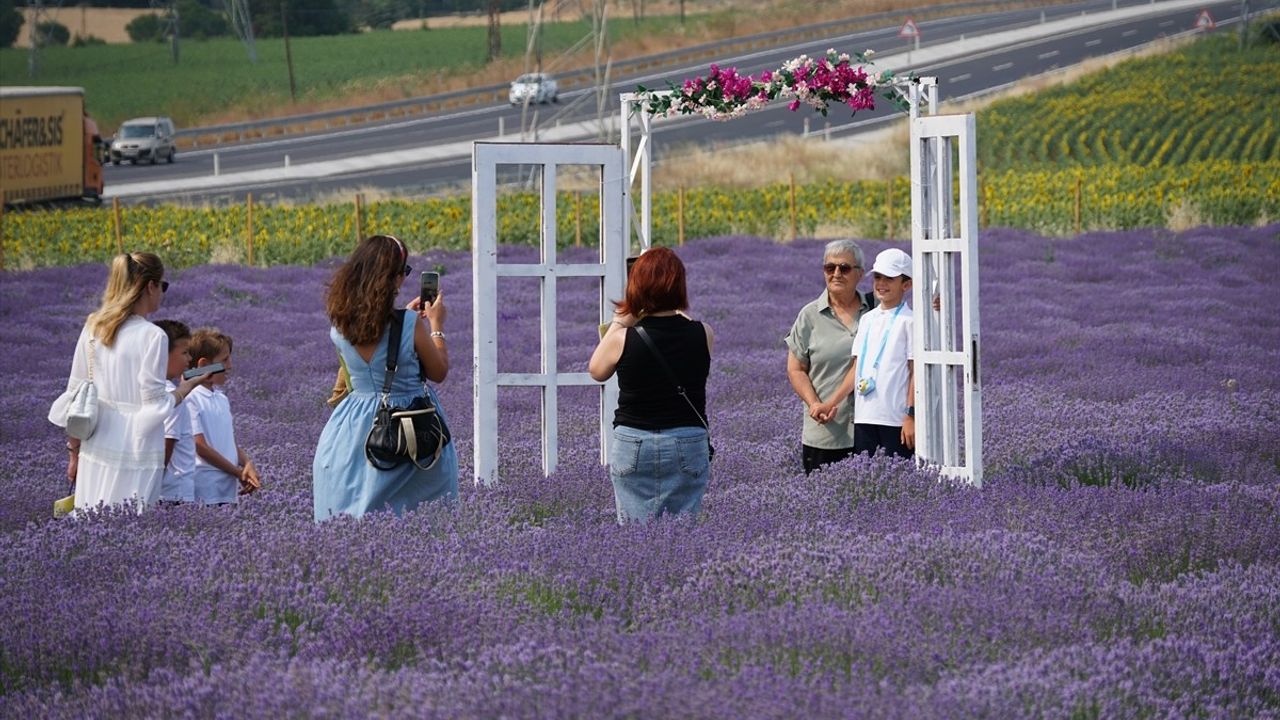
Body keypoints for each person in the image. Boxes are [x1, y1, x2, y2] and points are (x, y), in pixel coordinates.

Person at [312, 234, 457, 521]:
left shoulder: (338, 325)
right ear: (392, 278)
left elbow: (369, 349)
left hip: (351, 428)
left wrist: (404, 319)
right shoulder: (410, 324)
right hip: (409, 425)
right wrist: (437, 326)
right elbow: (438, 371)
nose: (405, 279)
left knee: (350, 514)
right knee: (422, 520)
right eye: (404, 272)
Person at [51, 252, 205, 511]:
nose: (162, 293)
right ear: (150, 286)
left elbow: (76, 395)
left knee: (92, 523)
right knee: (132, 529)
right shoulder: (153, 336)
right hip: (137, 453)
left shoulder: (93, 326)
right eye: (163, 285)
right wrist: (184, 390)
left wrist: (74, 454)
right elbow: (154, 405)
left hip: (95, 449)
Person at [589, 247, 714, 524]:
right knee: (682, 533)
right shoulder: (703, 333)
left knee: (636, 536)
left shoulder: (622, 338)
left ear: (636, 286)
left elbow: (596, 371)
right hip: (687, 439)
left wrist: (622, 318)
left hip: (635, 441)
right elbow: (685, 326)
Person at [814, 248, 916, 459]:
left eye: (889, 278)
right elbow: (856, 368)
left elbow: (915, 372)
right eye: (878, 277)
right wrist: (831, 403)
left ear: (906, 284)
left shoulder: (911, 321)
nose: (881, 284)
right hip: (865, 417)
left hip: (895, 419)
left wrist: (910, 416)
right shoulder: (867, 319)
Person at [783, 239, 874, 474]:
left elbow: (910, 305)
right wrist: (814, 403)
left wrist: (938, 304)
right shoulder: (809, 316)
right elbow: (795, 369)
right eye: (829, 268)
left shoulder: (876, 310)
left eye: (844, 268)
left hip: (874, 431)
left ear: (860, 273)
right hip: (827, 434)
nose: (836, 274)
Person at [186, 328, 261, 504]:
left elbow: (228, 441)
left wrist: (247, 463)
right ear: (204, 365)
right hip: (205, 487)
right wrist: (237, 472)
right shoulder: (191, 398)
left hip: (226, 488)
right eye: (224, 360)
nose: (230, 366)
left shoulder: (221, 398)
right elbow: (200, 446)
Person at [153, 320, 198, 504]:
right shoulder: (172, 398)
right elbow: (166, 447)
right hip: (174, 493)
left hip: (160, 491)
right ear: (163, 354)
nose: (189, 359)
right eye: (185, 353)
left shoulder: (148, 390)